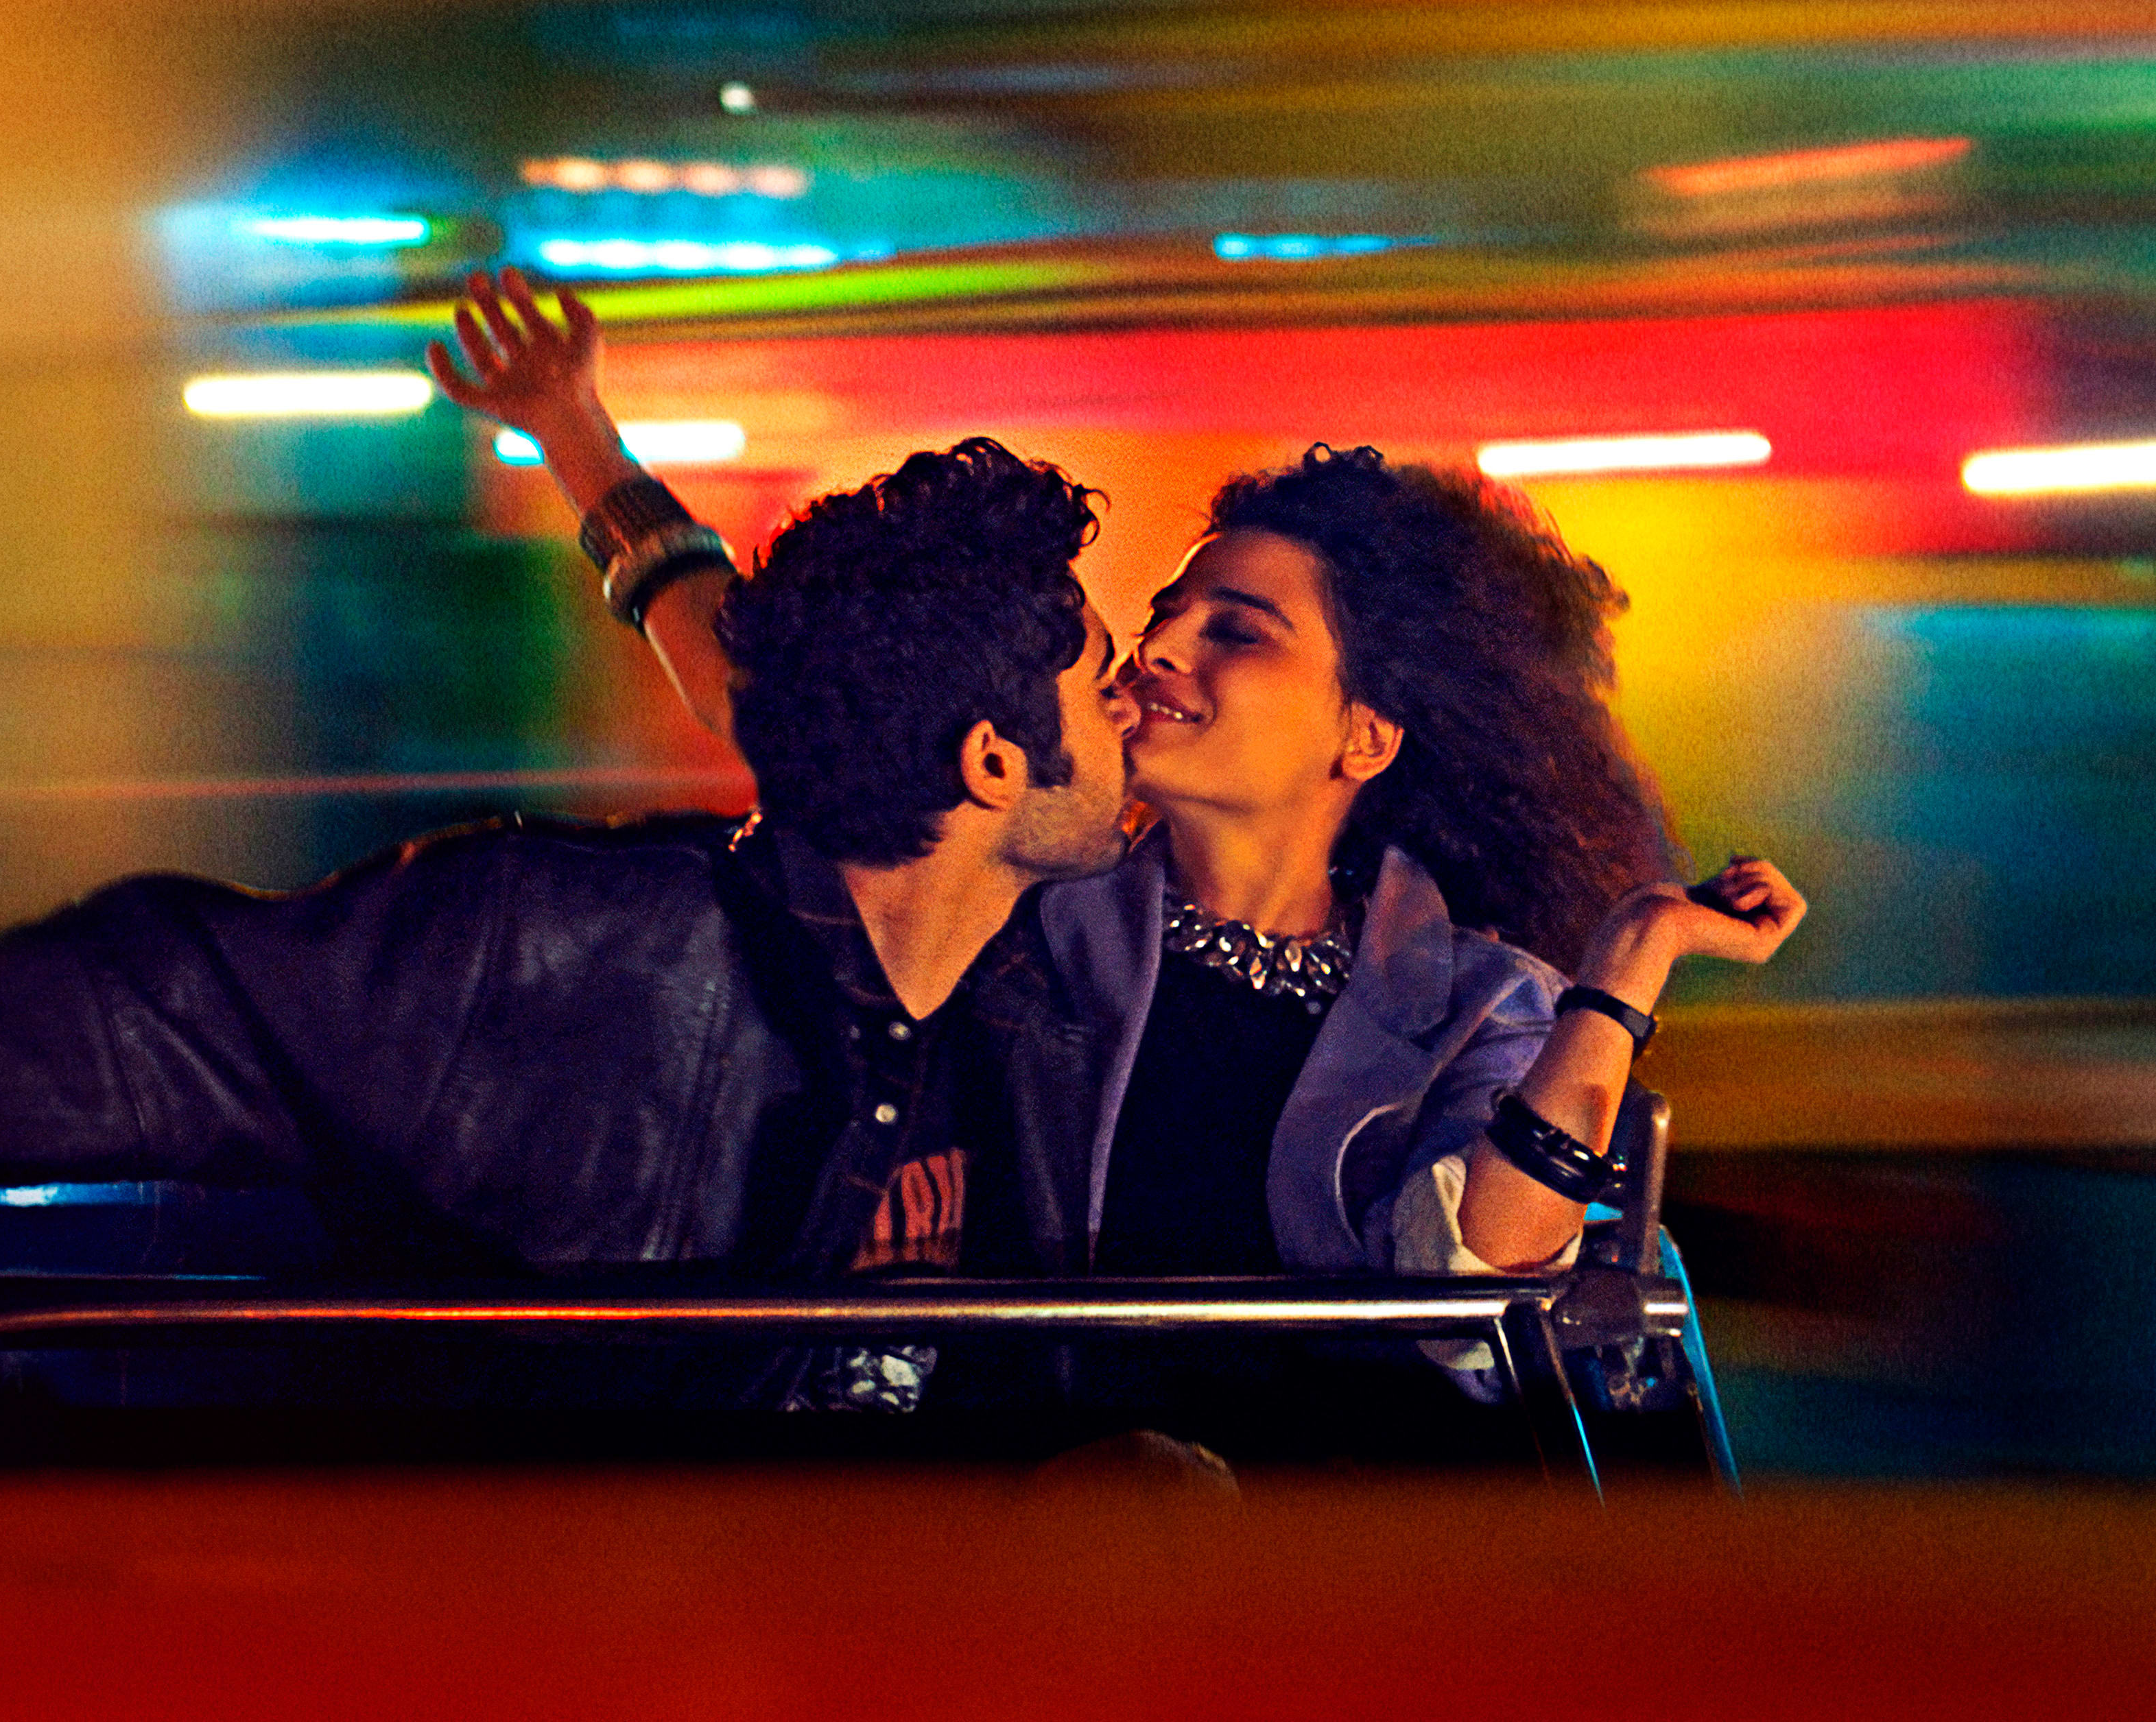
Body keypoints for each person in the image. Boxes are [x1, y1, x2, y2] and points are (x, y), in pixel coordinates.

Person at [429, 270, 1807, 1310]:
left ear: (1363, 737)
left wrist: (1626, 966)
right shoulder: (1025, 885)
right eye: (1165, 612)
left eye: (1236, 632)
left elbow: (1470, 1267)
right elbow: (784, 695)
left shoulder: (1478, 1002)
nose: (1158, 649)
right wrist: (575, 431)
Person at [0, 434, 1143, 1335]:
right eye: (1102, 683)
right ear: (988, 761)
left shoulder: (1029, 1001)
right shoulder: (545, 949)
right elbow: (126, 1023)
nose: (1138, 703)